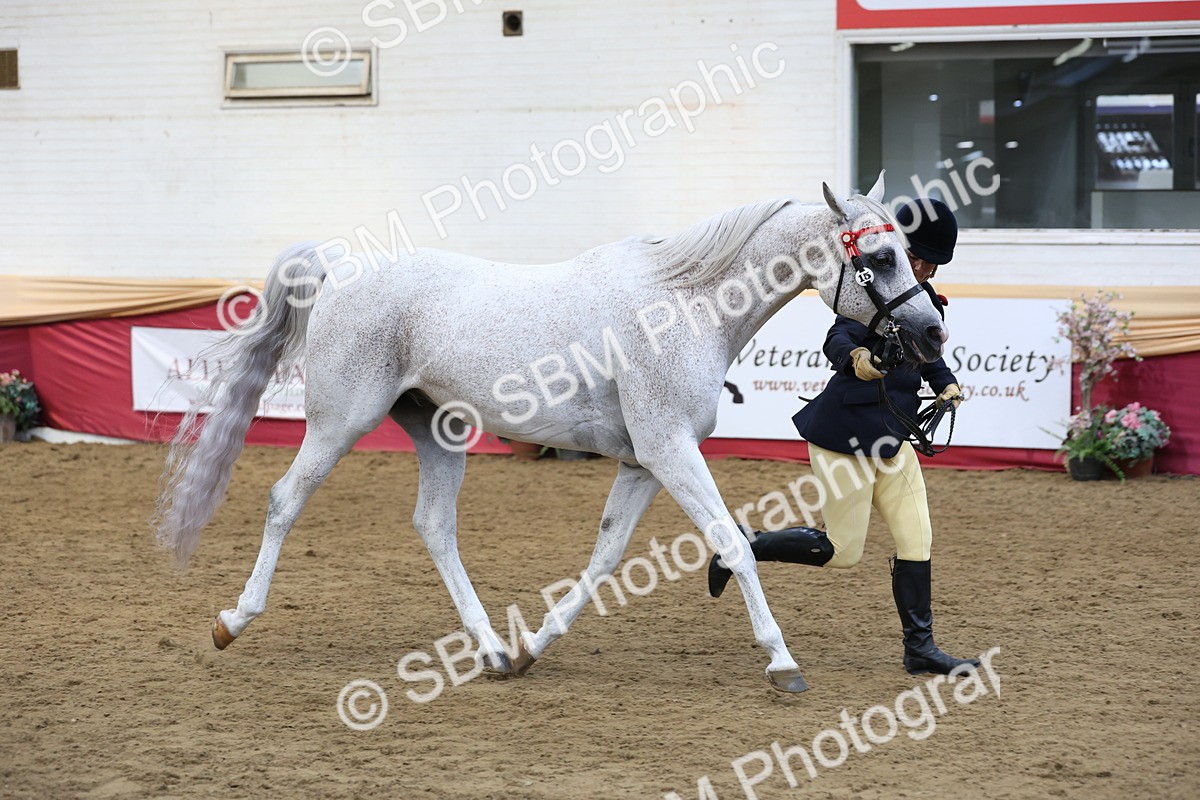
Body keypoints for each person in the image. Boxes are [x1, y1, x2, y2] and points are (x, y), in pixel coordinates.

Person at [707, 197, 980, 676]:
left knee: (919, 540)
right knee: (842, 552)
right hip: (845, 436)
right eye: (920, 259)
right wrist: (855, 359)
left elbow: (930, 352)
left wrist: (947, 384)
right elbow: (838, 336)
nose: (925, 270)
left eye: (931, 264)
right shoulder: (867, 289)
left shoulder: (923, 302)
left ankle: (920, 649)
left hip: (895, 436)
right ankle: (744, 547)